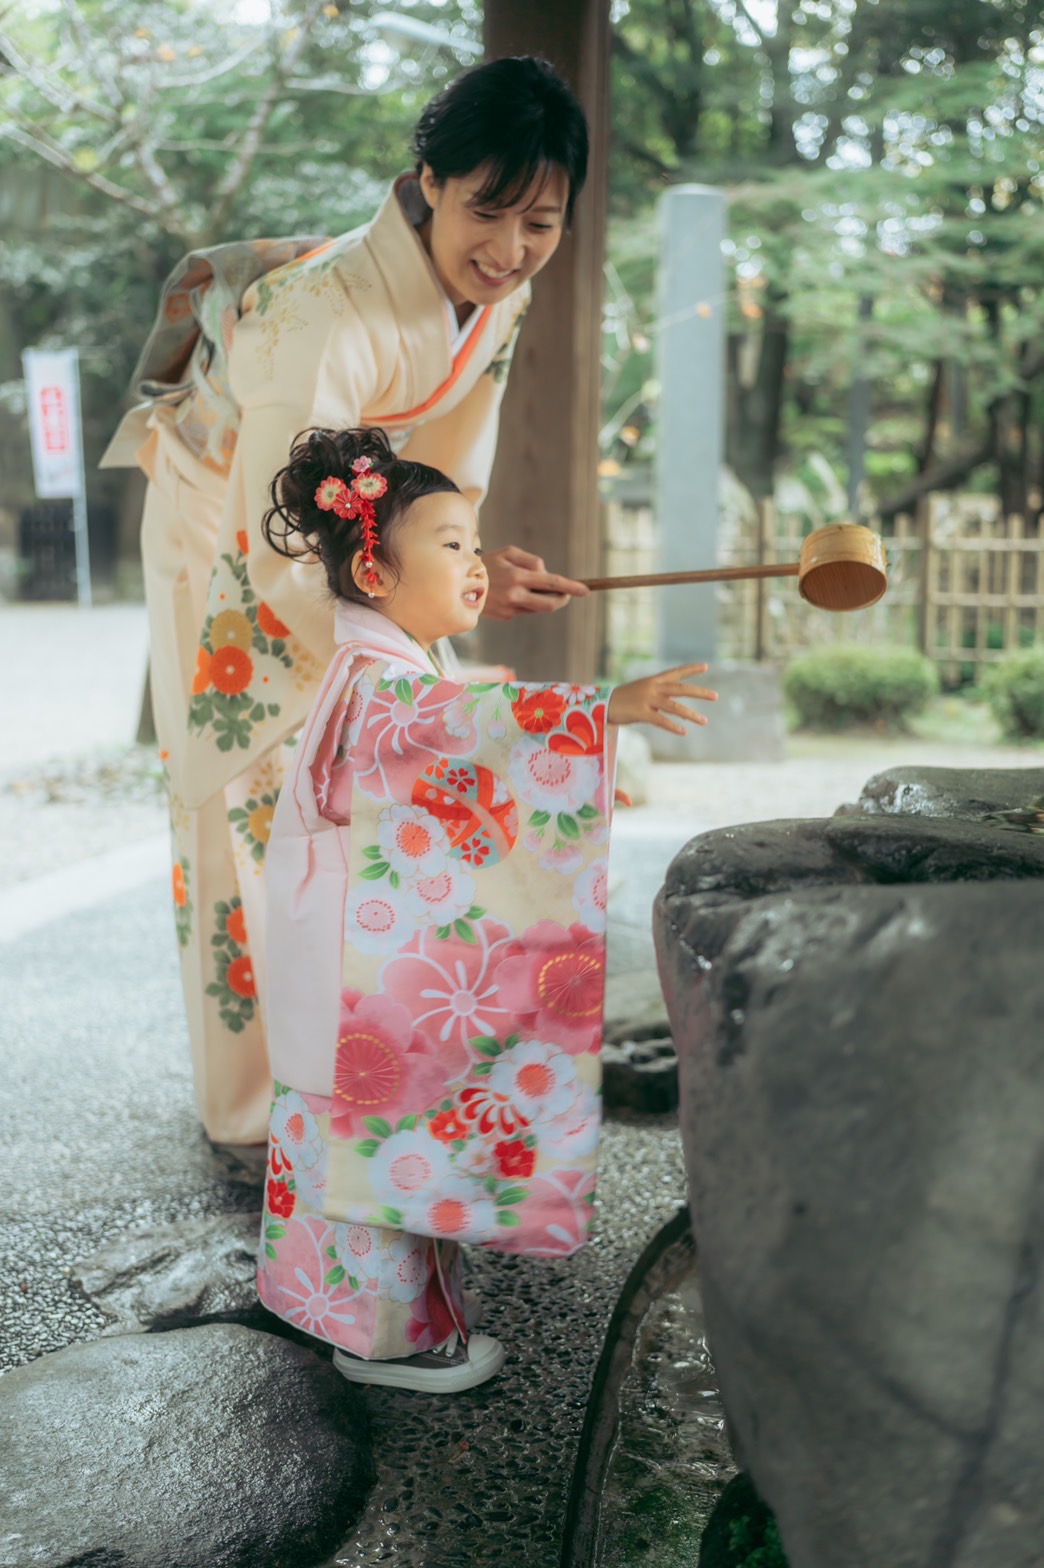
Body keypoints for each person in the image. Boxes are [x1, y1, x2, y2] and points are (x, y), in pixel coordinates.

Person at [101, 56, 595, 1145]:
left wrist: (459, 562)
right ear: (429, 178)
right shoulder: (318, 313)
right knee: (254, 796)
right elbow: (275, 527)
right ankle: (257, 1114)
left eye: (543, 224)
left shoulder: (496, 297)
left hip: (344, 536)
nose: (512, 250)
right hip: (224, 525)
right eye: (489, 210)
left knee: (381, 786)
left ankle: (372, 1072)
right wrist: (405, 610)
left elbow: (441, 471)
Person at [256, 424, 717, 1392]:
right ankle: (390, 1341)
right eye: (453, 543)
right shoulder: (386, 685)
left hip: (344, 951)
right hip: (355, 970)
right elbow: (465, 733)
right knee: (377, 1148)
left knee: (354, 1143)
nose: (476, 561)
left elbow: (459, 746)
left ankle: (359, 1321)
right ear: (375, 570)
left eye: (474, 540)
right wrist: (601, 714)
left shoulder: (380, 669)